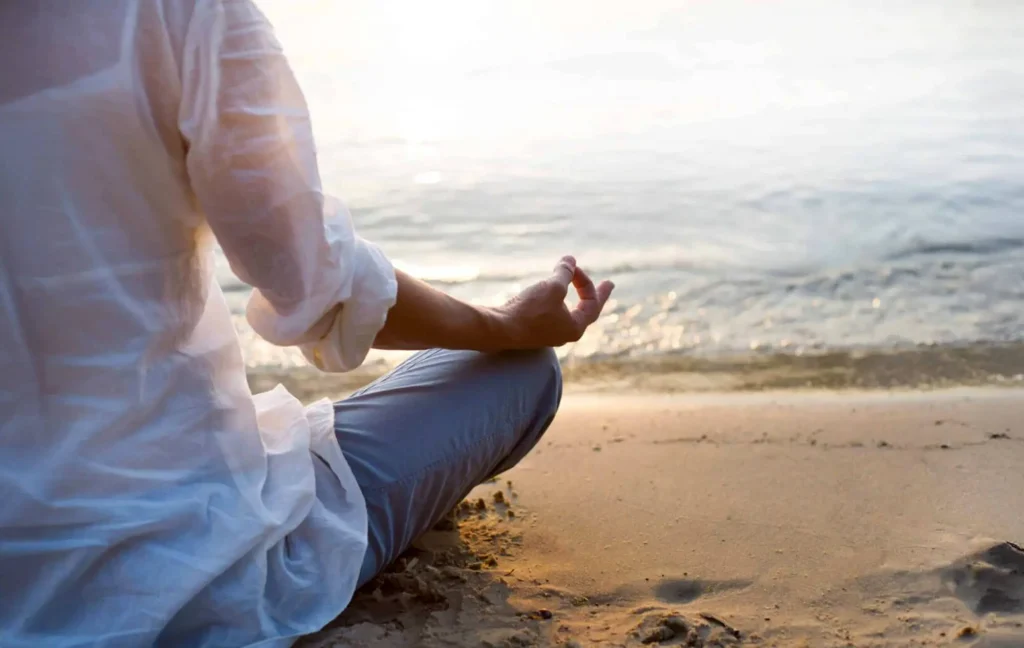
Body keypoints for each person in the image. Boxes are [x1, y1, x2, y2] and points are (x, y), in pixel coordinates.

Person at [0, 1, 613, 647]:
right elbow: (314, 283)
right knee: (517, 376)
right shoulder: (178, 15)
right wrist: (503, 325)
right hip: (176, 566)